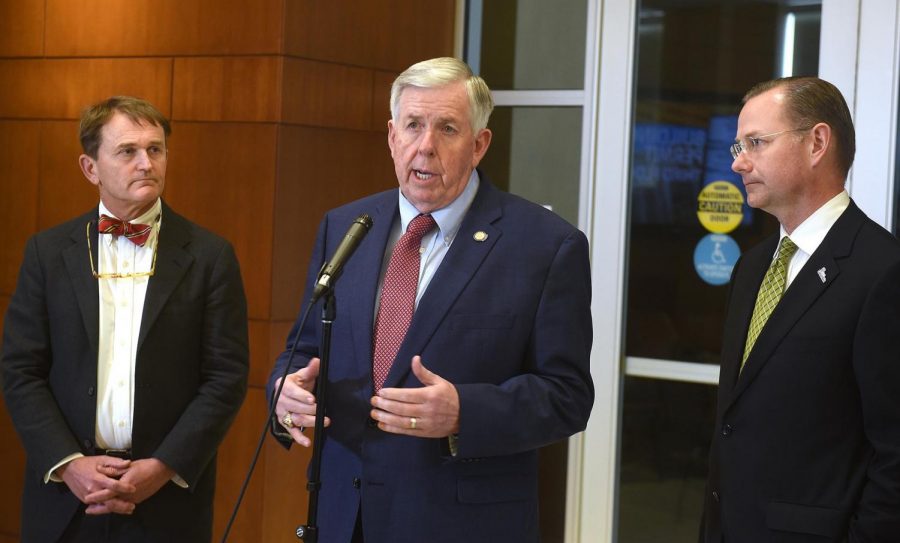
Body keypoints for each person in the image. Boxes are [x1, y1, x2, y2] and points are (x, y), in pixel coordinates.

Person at [267, 57, 593, 543]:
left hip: (462, 523)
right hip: (343, 516)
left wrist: (465, 411)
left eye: (447, 129)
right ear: (392, 136)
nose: (426, 146)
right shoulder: (346, 225)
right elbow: (305, 349)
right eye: (414, 126)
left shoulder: (545, 246)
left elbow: (568, 396)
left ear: (479, 144)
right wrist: (285, 393)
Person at [1, 96, 249, 542]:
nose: (145, 163)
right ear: (90, 167)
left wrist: (164, 465)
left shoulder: (211, 256)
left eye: (156, 150)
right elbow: (21, 371)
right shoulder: (47, 253)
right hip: (65, 501)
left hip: (165, 503)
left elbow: (225, 378)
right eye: (128, 151)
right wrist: (68, 464)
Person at [702, 77, 900, 542]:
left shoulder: (882, 271)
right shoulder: (751, 267)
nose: (737, 161)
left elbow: (894, 453)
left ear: (817, 143)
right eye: (737, 144)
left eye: (756, 142)